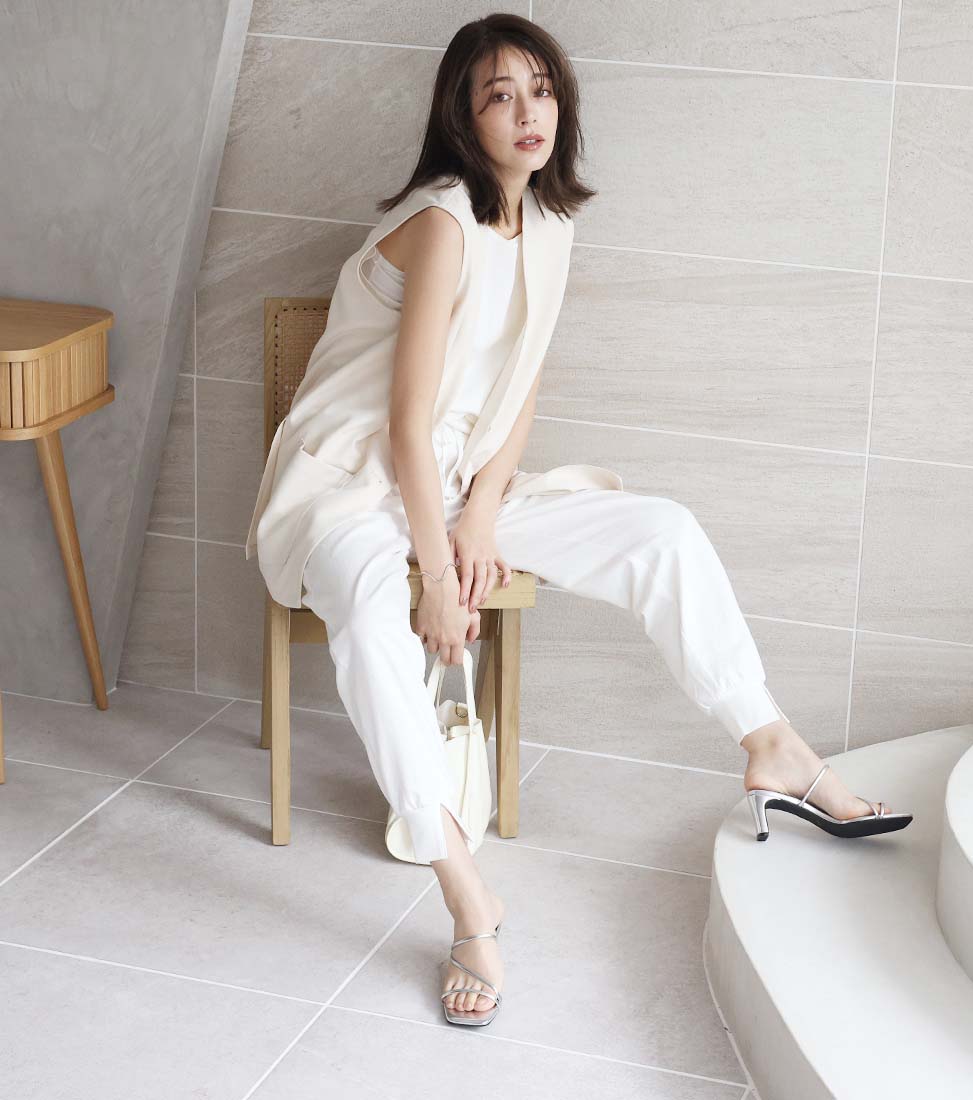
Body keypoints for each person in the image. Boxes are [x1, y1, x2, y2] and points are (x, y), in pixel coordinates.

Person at [278, 15, 910, 1028]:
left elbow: (522, 382)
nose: (526, 112)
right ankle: (465, 896)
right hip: (352, 479)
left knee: (660, 530)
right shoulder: (442, 222)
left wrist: (479, 518)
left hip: (457, 482)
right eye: (497, 95)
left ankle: (774, 745)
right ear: (463, 117)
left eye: (539, 89)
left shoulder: (549, 223)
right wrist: (435, 576)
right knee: (366, 604)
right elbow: (403, 417)